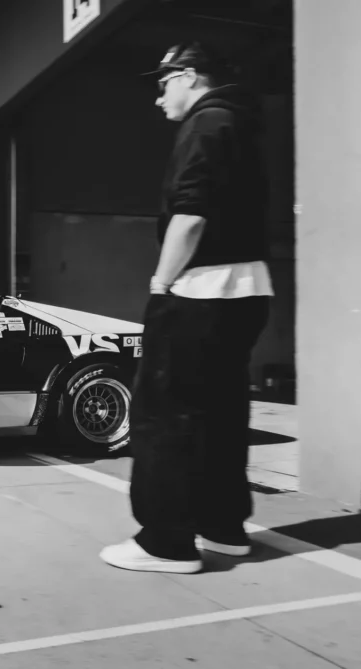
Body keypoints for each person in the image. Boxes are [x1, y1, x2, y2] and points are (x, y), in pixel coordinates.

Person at [100, 42, 274, 574]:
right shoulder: (242, 123)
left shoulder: (204, 123)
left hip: (200, 290)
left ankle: (165, 542)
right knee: (223, 413)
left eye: (163, 84)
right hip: (249, 288)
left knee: (164, 415)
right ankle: (224, 528)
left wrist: (161, 284)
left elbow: (191, 215)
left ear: (190, 76)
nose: (159, 98)